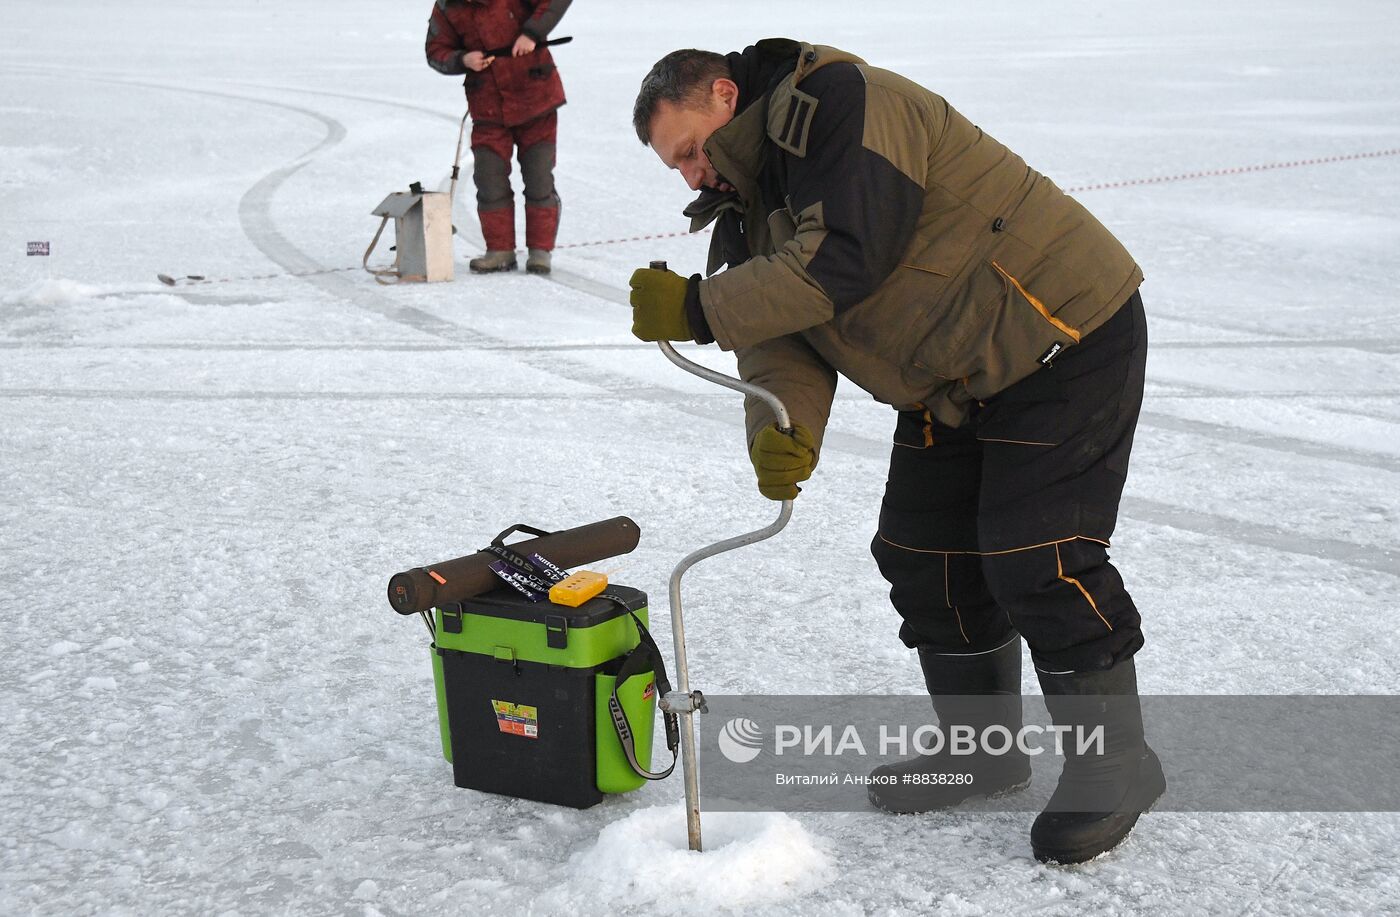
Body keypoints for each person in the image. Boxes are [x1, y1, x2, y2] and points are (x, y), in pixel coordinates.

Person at [628, 39, 1165, 865]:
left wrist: (699, 308)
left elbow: (844, 256)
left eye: (692, 150)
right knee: (923, 553)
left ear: (727, 96)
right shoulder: (745, 205)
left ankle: (1116, 764)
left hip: (1062, 332)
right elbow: (778, 342)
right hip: (952, 380)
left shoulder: (845, 103)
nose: (692, 175)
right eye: (676, 167)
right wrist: (783, 429)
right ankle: (983, 754)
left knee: (1037, 552)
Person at [426, 0, 570, 274]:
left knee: (539, 179)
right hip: (487, 107)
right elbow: (435, 51)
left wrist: (531, 33)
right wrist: (462, 59)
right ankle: (499, 251)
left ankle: (540, 253)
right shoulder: (446, 6)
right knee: (489, 180)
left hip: (536, 99)